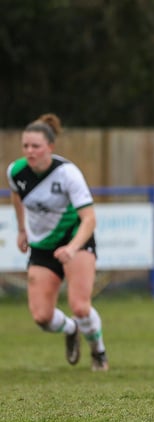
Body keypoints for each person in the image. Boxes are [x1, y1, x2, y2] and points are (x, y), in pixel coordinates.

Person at [6, 113, 109, 371]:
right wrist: (21, 230)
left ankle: (98, 351)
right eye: (26, 146)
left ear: (50, 147)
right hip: (42, 245)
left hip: (75, 239)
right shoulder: (16, 171)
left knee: (80, 306)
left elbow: (89, 218)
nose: (30, 151)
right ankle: (71, 329)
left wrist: (72, 247)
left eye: (36, 146)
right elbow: (16, 196)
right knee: (42, 317)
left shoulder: (68, 174)